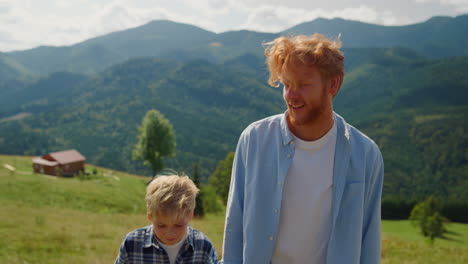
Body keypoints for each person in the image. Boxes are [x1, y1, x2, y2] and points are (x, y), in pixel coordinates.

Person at [222, 34, 384, 264]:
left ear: (333, 84)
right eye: (287, 85)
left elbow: (369, 239)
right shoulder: (254, 140)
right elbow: (234, 225)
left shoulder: (366, 154)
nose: (291, 96)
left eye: (303, 85)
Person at [115, 174, 218, 264]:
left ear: (190, 215)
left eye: (178, 225)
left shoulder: (203, 246)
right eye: (161, 225)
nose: (170, 234)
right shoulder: (132, 244)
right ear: (150, 216)